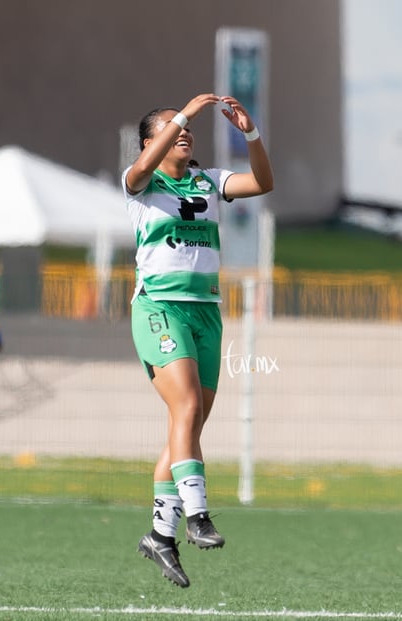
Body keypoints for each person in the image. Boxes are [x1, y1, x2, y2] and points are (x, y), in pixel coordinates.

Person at [121, 93, 274, 588]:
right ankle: (197, 514)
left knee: (186, 424)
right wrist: (184, 112)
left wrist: (250, 133)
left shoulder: (208, 182)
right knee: (186, 409)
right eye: (170, 128)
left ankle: (159, 536)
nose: (184, 132)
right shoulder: (142, 184)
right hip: (159, 309)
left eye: (186, 127)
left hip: (206, 312)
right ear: (151, 141)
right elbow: (140, 167)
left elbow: (263, 182)